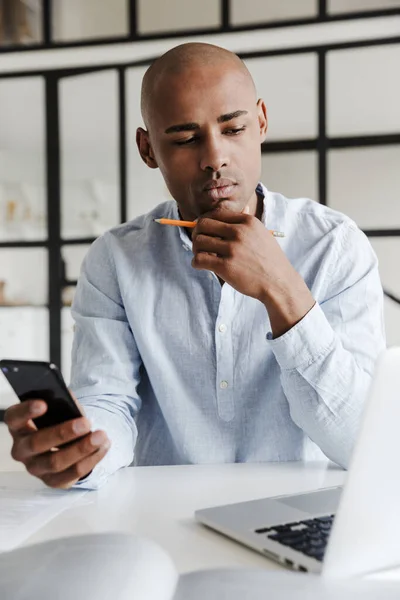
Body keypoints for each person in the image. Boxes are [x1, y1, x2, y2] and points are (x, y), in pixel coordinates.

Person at [4, 43, 385, 490]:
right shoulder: (115, 259)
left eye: (234, 128)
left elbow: (364, 442)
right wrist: (79, 448)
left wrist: (282, 289)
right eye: (185, 139)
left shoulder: (335, 247)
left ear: (261, 122)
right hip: (162, 517)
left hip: (301, 511)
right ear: (148, 149)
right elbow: (108, 402)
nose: (214, 158)